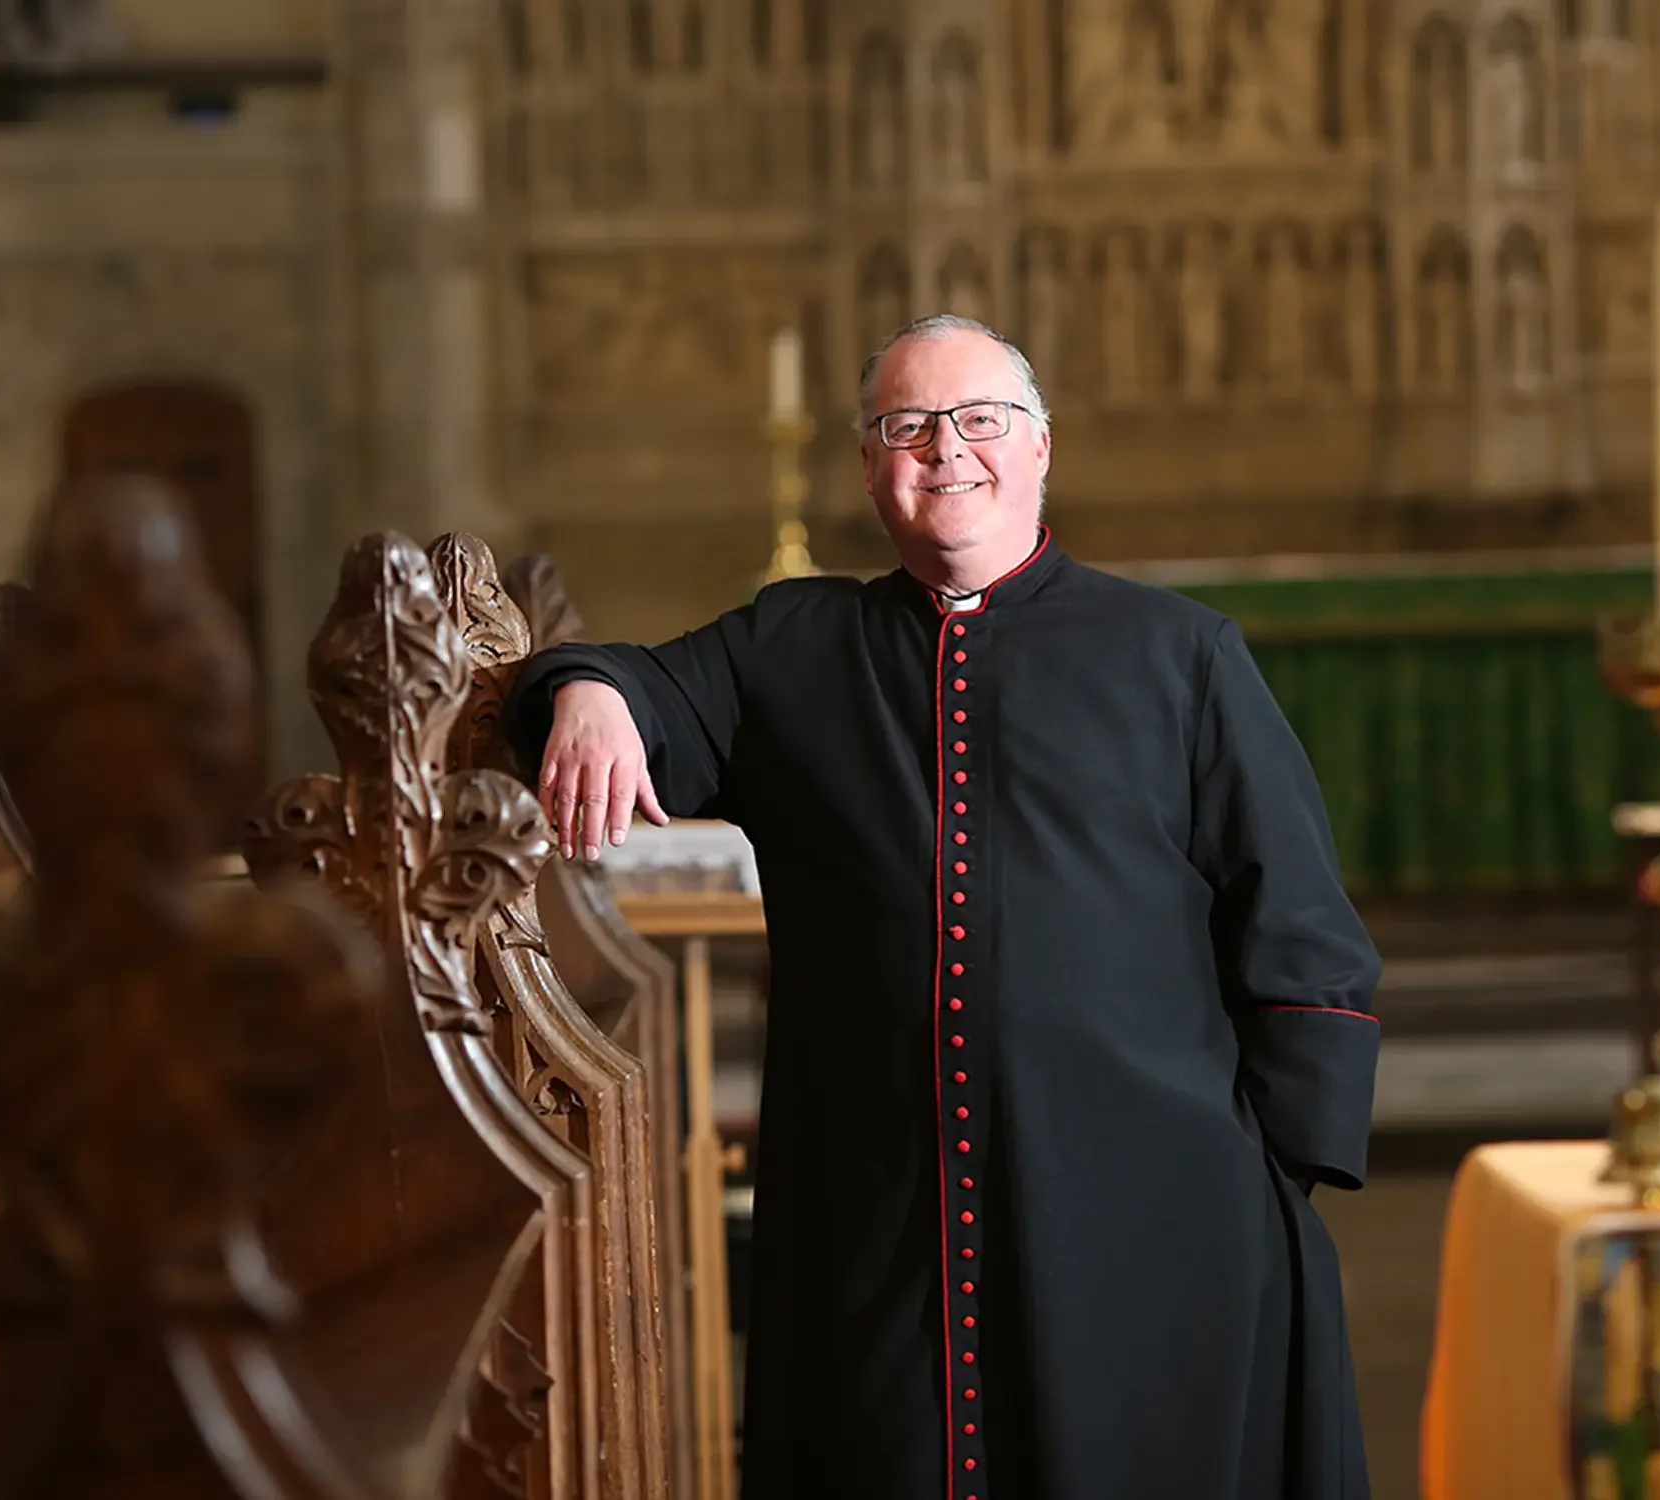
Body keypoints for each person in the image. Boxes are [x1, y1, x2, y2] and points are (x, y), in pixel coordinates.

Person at [504, 314, 1381, 1500]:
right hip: (883, 1207)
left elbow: (1301, 926)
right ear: (870, 467)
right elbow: (640, 685)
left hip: (1154, 1203)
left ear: (1039, 450)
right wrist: (590, 690)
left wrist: (1268, 1183)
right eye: (906, 426)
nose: (945, 448)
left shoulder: (1181, 655)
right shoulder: (793, 646)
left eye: (979, 419)